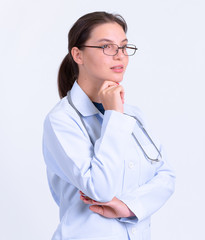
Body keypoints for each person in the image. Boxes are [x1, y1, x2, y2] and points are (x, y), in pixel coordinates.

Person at [42, 11, 175, 240]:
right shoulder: (61, 120)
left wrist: (128, 207)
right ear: (78, 55)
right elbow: (99, 188)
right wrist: (114, 115)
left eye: (123, 47)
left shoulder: (132, 115)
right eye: (107, 47)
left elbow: (166, 175)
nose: (120, 56)